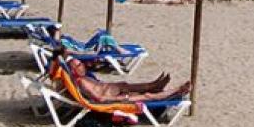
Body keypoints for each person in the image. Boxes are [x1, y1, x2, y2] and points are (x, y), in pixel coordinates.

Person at [56, 48, 191, 103]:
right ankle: (176, 91)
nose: (83, 66)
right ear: (74, 70)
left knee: (126, 85)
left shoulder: (81, 77)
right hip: (113, 97)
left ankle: (154, 84)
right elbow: (99, 98)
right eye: (80, 65)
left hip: (113, 89)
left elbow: (62, 55)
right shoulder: (82, 82)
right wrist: (123, 97)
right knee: (147, 96)